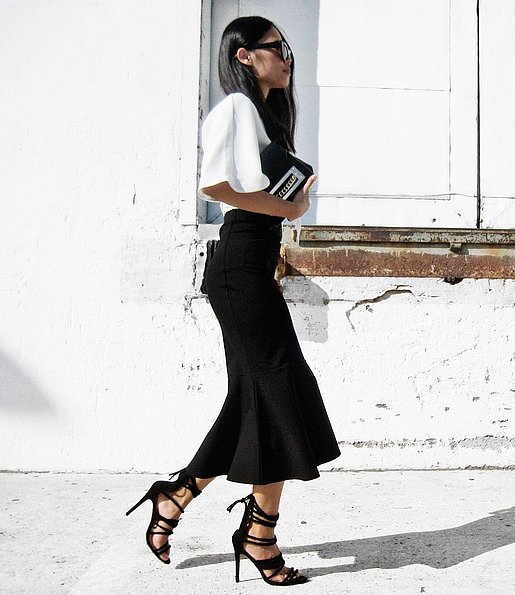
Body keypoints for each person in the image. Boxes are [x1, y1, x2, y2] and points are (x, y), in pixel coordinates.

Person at [126, 16, 341, 587]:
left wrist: (287, 203)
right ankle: (259, 532)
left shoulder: (267, 116)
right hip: (238, 267)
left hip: (252, 266)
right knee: (280, 392)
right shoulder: (236, 109)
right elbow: (215, 187)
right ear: (244, 55)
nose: (288, 56)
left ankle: (177, 495)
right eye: (277, 47)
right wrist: (289, 210)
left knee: (257, 397)